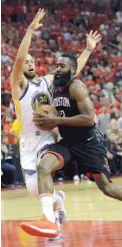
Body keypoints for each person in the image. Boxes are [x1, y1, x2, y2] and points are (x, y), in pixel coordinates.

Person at [10, 9, 102, 238]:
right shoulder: (18, 87)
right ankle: (58, 201)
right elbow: (19, 60)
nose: (29, 64)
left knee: (44, 170)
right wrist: (29, 32)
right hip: (28, 144)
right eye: (27, 62)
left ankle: (53, 228)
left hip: (49, 141)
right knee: (34, 190)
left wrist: (88, 50)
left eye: (33, 61)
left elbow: (74, 70)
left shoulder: (48, 83)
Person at [21, 52, 122, 237]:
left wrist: (57, 119)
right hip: (68, 143)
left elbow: (89, 119)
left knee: (107, 188)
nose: (57, 69)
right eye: (57, 65)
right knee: (43, 167)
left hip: (89, 143)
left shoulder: (78, 88)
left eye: (62, 66)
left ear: (72, 70)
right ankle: (49, 221)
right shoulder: (55, 86)